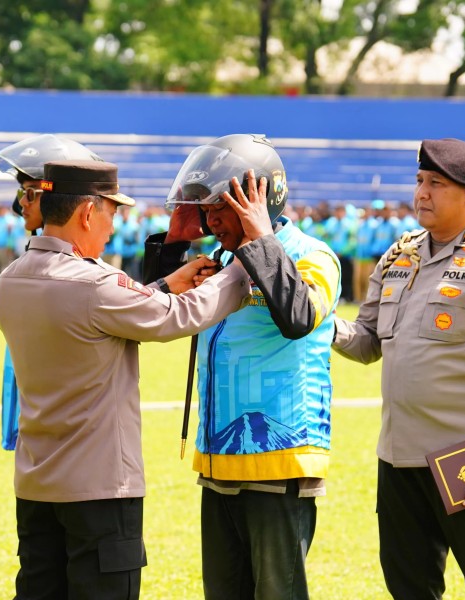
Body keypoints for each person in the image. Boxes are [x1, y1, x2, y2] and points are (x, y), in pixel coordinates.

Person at [0, 160, 252, 600]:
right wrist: (243, 268)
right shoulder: (94, 284)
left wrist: (167, 284)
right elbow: (178, 317)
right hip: (98, 491)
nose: (114, 226)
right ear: (87, 213)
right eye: (112, 212)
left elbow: (103, 313)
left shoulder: (11, 279)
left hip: (38, 485)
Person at [332, 138, 465, 600]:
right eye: (420, 181)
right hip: (398, 458)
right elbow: (368, 343)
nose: (422, 193)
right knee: (409, 587)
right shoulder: (400, 254)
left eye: (436, 184)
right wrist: (317, 322)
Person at [144, 134, 341, 600]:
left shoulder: (312, 256)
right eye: (206, 209)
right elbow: (145, 312)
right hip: (219, 459)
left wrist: (261, 239)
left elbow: (299, 318)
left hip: (279, 460)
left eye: (222, 207)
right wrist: (173, 242)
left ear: (257, 200)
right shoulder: (221, 260)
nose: (211, 221)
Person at [0, 134, 103, 451]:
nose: (21, 204)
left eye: (30, 193)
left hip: (65, 432)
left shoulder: (81, 269)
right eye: (21, 193)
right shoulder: (30, 262)